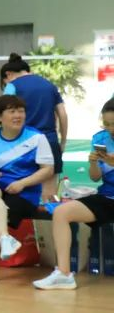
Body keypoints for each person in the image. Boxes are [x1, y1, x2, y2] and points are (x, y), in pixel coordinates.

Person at [0, 95, 54, 285]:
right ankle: (5, 238)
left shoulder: (36, 138)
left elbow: (48, 170)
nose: (18, 115)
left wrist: (23, 183)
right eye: (12, 111)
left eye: (21, 111)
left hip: (25, 192)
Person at [34, 98, 114, 290]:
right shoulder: (100, 139)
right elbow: (95, 177)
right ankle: (63, 274)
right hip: (108, 196)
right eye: (107, 124)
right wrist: (94, 163)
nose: (111, 129)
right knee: (61, 212)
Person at [0, 54, 68, 202]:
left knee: (21, 193)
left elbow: (4, 115)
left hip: (23, 144)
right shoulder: (49, 85)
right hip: (50, 141)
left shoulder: (12, 86)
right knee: (50, 195)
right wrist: (63, 141)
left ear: (8, 74)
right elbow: (62, 114)